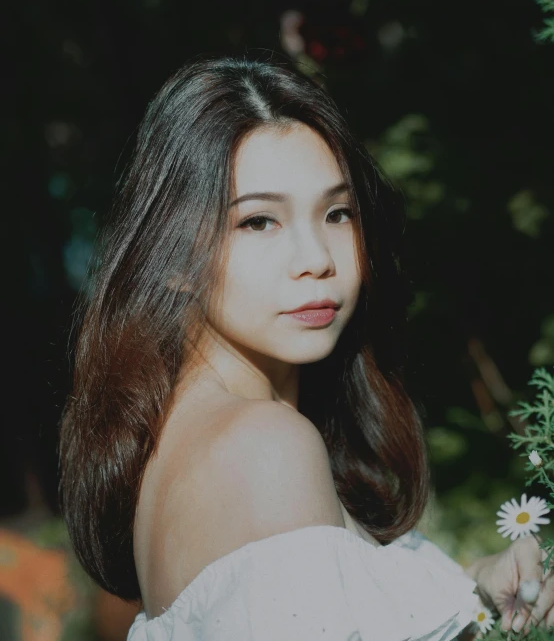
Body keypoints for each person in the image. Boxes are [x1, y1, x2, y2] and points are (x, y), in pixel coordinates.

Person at [58, 54, 553, 640]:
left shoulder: (175, 439)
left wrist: (477, 588)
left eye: (337, 213)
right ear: (174, 258)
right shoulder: (267, 446)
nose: (318, 259)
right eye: (259, 222)